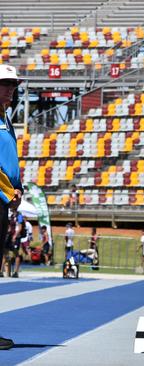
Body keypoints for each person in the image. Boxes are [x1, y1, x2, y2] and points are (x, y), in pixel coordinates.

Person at [0, 63, 23, 350]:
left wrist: (19, 187)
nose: (10, 89)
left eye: (13, 84)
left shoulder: (5, 118)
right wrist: (10, 192)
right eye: (5, 83)